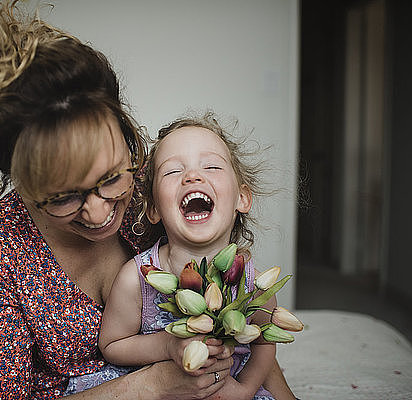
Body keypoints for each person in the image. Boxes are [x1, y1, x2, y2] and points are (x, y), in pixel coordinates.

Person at [0, 1, 295, 399]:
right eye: (62, 197)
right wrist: (150, 385)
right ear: (22, 183)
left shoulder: (158, 188)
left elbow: (240, 327)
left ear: (127, 136)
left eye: (110, 178)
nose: (99, 211)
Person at [98, 113, 295, 400]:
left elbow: (264, 343)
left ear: (242, 198)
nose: (192, 176)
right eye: (173, 172)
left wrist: (245, 390)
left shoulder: (250, 282)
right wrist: (166, 346)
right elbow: (112, 344)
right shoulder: (138, 276)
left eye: (212, 166)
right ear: (152, 208)